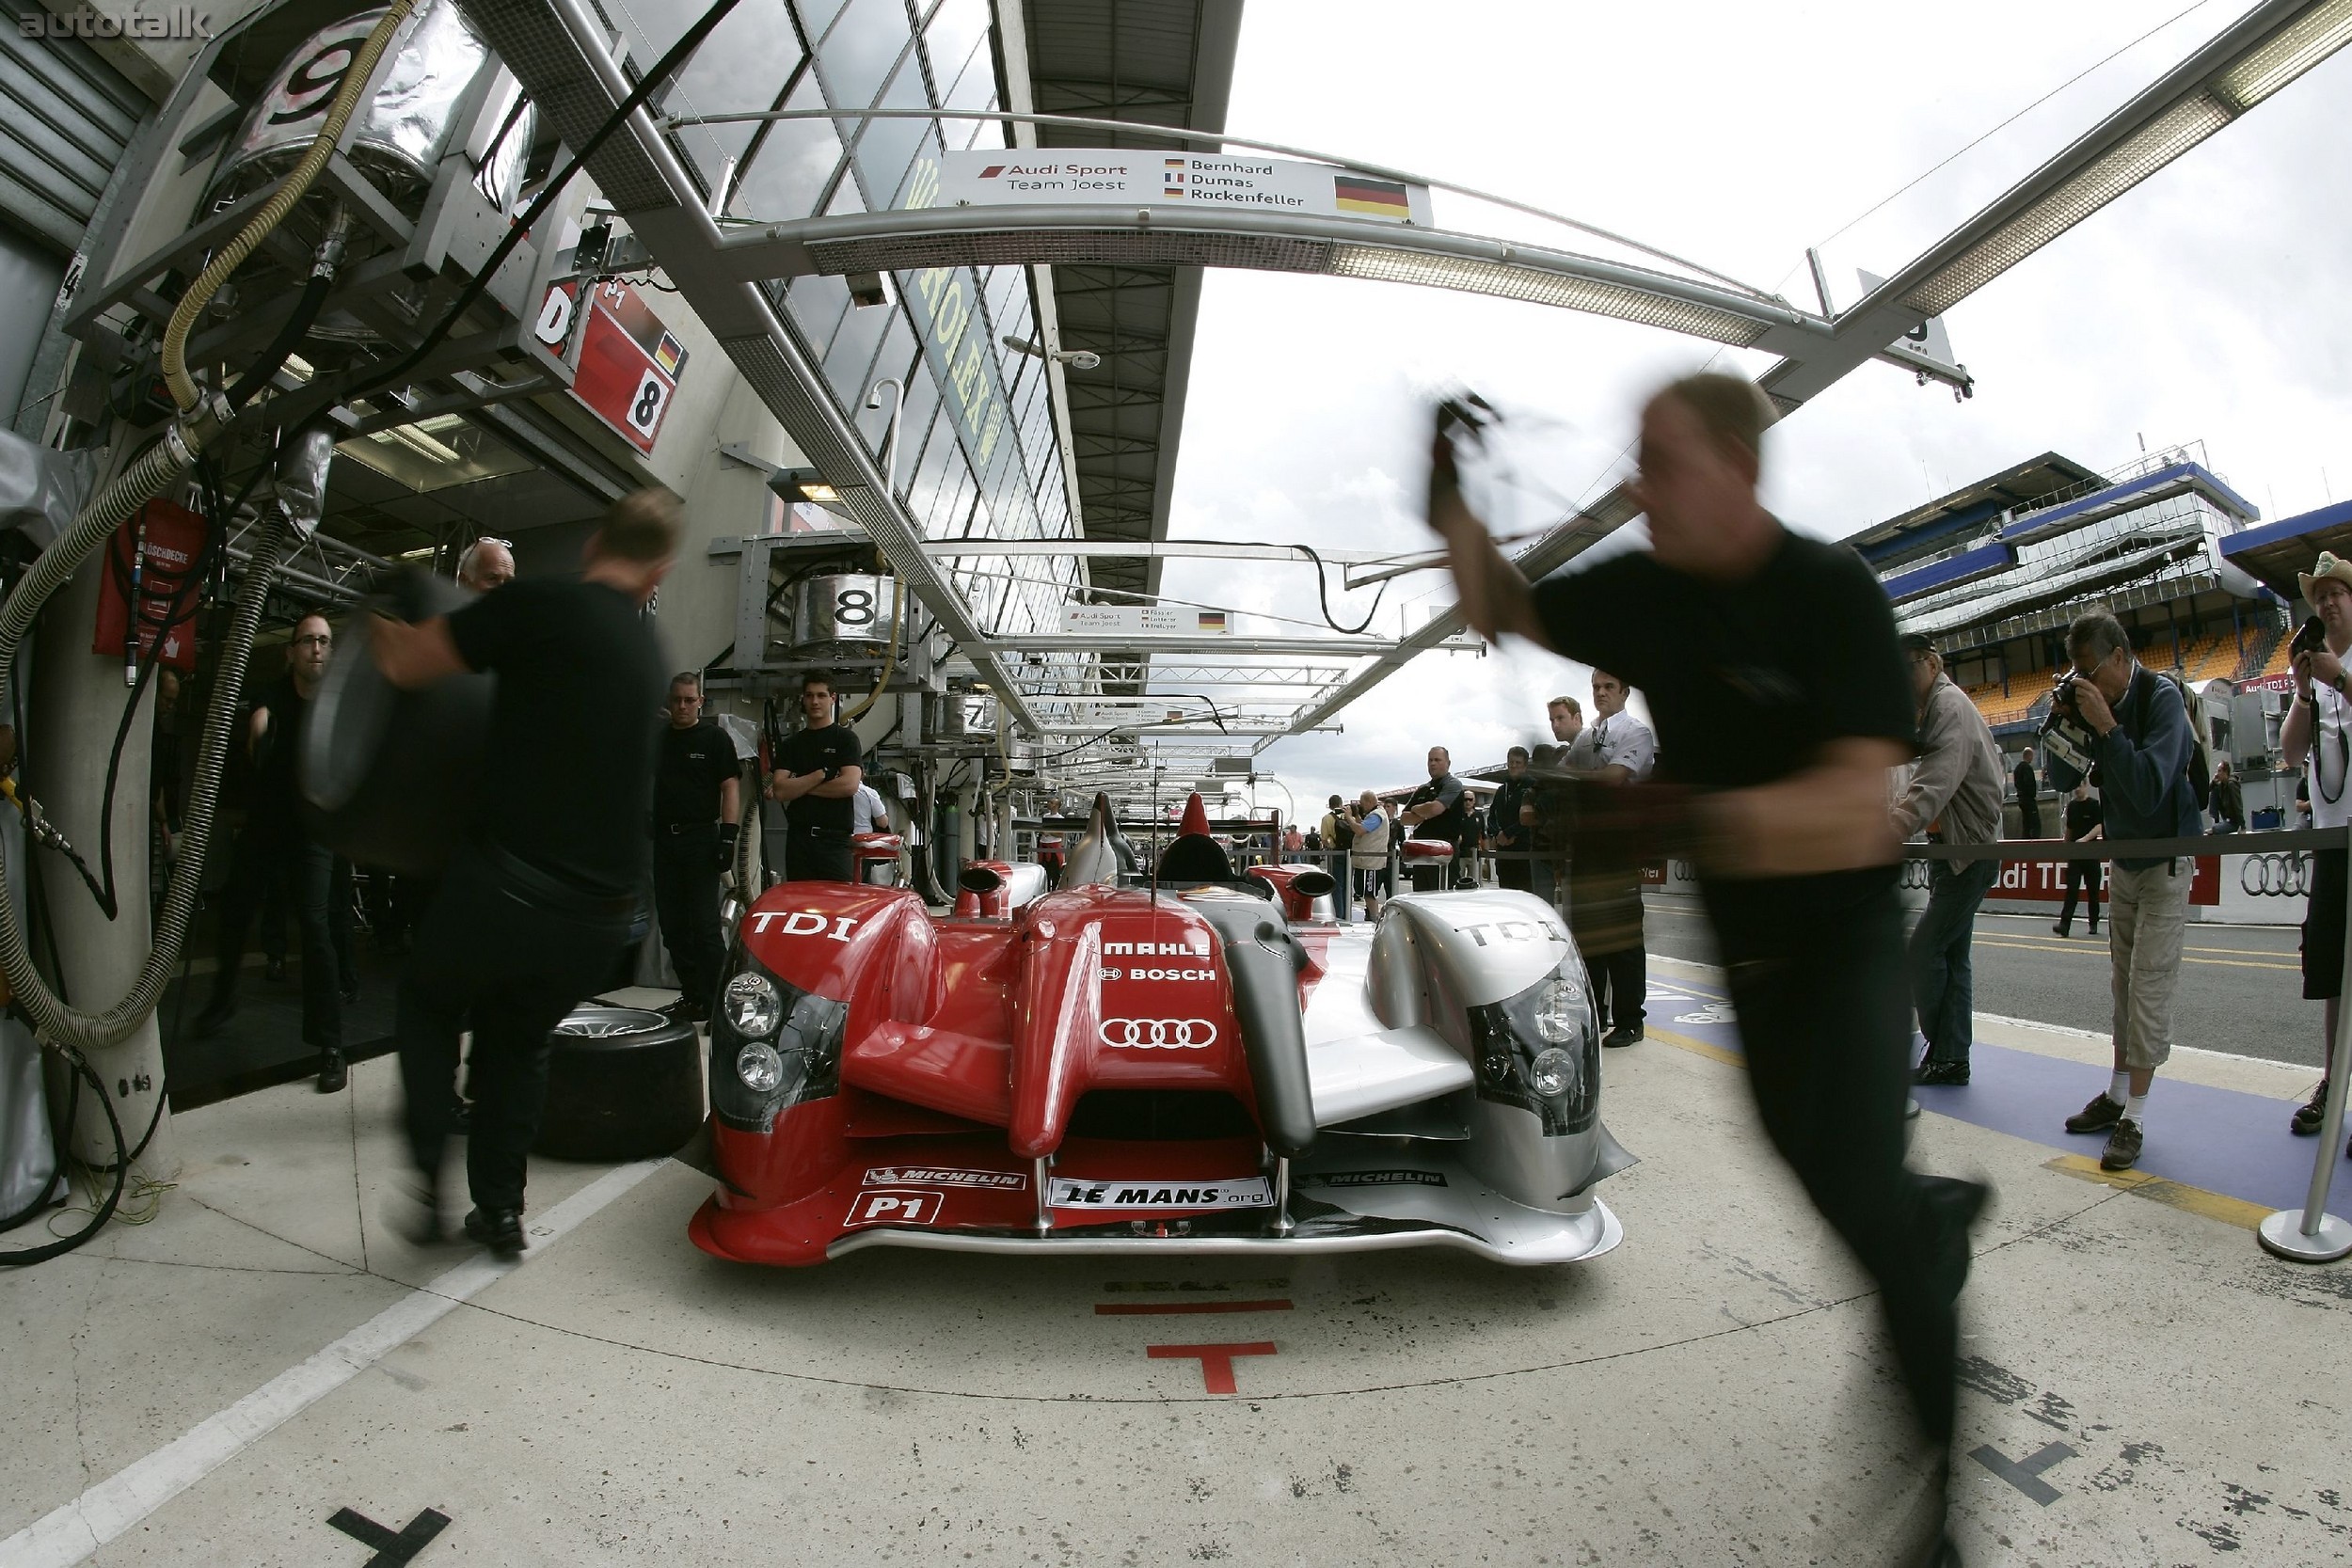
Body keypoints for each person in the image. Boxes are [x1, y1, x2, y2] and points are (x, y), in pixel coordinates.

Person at [1429, 371, 1985, 1560]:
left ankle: (1944, 1512)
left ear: (1738, 466)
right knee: (1815, 1165)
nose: (1638, 486)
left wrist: (1684, 819)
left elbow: (1857, 811)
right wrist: (1449, 497)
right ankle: (1925, 1209)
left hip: (1841, 943)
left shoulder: (1829, 592)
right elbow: (1501, 599)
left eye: (1661, 461)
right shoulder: (1647, 594)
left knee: (1868, 1221)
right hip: (1751, 952)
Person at [372, 489, 676, 1256]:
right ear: (658, 571)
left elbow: (410, 663)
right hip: (601, 914)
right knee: (519, 1040)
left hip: (510, 882)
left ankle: (428, 1174)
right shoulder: (652, 652)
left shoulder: (542, 605)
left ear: (593, 544)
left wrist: (365, 617)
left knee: (430, 1001)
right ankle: (500, 1211)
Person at [2047, 610, 2199, 1174]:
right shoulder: (2094, 700)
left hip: (2163, 860)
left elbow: (2148, 787)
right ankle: (2115, 1095)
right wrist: (2062, 725)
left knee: (2149, 988)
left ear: (2118, 657)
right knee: (2122, 985)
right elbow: (2063, 781)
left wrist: (2106, 726)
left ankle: (2135, 1115)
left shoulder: (2163, 700)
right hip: (2125, 862)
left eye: (2087, 669)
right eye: (2073, 672)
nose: (2081, 680)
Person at [190, 612, 358, 1091]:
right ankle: (220, 1002)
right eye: (308, 641)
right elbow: (258, 725)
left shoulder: (337, 704)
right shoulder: (272, 694)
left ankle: (330, 1046)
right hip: (266, 828)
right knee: (236, 915)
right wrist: (261, 736)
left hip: (311, 834)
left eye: (325, 641)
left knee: (315, 925)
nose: (318, 649)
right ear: (291, 652)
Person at [1897, 634, 2006, 1087]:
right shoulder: (1931, 708)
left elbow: (1934, 782)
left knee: (1924, 950)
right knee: (1952, 955)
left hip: (1969, 849)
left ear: (1933, 662)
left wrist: (1890, 827)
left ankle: (1945, 1052)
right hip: (1955, 848)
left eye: (1910, 666)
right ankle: (1951, 1057)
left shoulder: (1949, 707)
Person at [2283, 551, 2352, 1143]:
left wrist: (2342, 678)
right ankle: (2333, 1081)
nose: (2327, 603)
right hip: (2332, 843)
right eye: (2320, 596)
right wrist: (2306, 690)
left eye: (2338, 593)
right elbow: (2288, 753)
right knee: (2331, 973)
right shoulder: (2320, 677)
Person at [1559, 672, 1658, 1048]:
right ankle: (1595, 1014)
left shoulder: (1636, 732)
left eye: (1608, 687)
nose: (1600, 693)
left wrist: (1574, 781)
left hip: (1618, 843)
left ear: (1624, 692)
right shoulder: (1586, 737)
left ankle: (1631, 1019)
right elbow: (1564, 773)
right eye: (1596, 688)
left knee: (1624, 934)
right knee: (1588, 933)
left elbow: (1614, 778)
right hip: (1586, 843)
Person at [651, 672, 741, 1022]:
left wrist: (728, 836)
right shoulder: (660, 739)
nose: (683, 706)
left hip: (700, 841)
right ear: (669, 702)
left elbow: (730, 786)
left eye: (690, 700)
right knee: (673, 927)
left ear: (701, 702)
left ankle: (721, 1005)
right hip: (666, 843)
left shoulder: (715, 739)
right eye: (677, 700)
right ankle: (694, 998)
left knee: (705, 928)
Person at [768, 672, 864, 882]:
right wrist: (821, 775)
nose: (815, 701)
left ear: (833, 698)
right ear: (802, 699)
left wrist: (800, 786)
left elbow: (849, 785)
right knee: (801, 905)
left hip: (834, 841)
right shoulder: (792, 745)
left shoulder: (845, 740)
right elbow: (781, 791)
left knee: (838, 904)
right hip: (799, 841)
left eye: (821, 695)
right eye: (809, 695)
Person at [1400, 746, 1472, 891]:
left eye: (1437, 760)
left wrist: (1416, 809)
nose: (1433, 763)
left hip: (1443, 852)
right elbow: (1403, 818)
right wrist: (1425, 812)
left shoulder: (1453, 785)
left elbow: (1435, 809)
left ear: (1448, 763)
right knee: (1421, 898)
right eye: (1430, 760)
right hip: (1421, 854)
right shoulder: (1423, 789)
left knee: (1442, 897)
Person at [2052, 782, 2105, 938]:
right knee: (2072, 890)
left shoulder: (2094, 805)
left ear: (2086, 786)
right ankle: (2065, 924)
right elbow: (2070, 828)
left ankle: (2093, 922)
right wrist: (2065, 847)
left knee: (2093, 891)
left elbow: (2099, 826)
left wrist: (2085, 839)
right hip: (2075, 855)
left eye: (2079, 786)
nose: (2076, 790)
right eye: (2074, 787)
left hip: (2090, 854)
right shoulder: (2072, 806)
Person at [1486, 746, 1537, 894]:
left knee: (1525, 894)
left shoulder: (1532, 787)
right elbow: (1491, 816)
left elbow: (1532, 817)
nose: (1513, 766)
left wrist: (1509, 833)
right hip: (1503, 853)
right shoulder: (1502, 789)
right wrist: (1497, 834)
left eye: (1517, 763)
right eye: (1511, 762)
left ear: (1525, 765)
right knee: (1505, 894)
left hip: (1524, 851)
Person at [1346, 789, 1391, 920]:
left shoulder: (1377, 816)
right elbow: (1364, 825)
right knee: (1365, 891)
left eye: (1362, 803)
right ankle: (1371, 915)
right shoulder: (1375, 814)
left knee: (1369, 893)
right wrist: (1356, 817)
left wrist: (1349, 817)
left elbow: (1360, 830)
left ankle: (1374, 917)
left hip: (1370, 862)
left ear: (1370, 801)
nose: (1362, 806)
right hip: (1367, 860)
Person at [1318, 793, 1354, 893]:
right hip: (1351, 853)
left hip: (1336, 852)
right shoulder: (1350, 817)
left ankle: (1339, 908)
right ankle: (1347, 906)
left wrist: (1330, 845)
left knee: (1337, 884)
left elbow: (1324, 839)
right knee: (1348, 883)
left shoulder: (1327, 818)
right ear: (1341, 804)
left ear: (1329, 805)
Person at [2207, 757, 2245, 834]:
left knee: (2215, 829)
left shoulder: (2231, 785)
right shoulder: (2221, 785)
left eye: (2219, 771)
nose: (2217, 774)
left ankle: (2217, 827)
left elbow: (2237, 805)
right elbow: (2208, 790)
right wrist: (2213, 782)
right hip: (2226, 819)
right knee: (2214, 790)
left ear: (2225, 772)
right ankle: (2216, 821)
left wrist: (2242, 826)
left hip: (2233, 822)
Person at [2013, 744, 2042, 838]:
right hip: (2029, 800)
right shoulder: (2027, 768)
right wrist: (2033, 794)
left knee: (2026, 824)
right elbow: (2028, 783)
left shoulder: (2017, 768)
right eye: (2032, 756)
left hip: (2021, 799)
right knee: (2035, 824)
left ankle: (2025, 841)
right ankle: (2035, 842)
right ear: (2029, 755)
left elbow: (2017, 783)